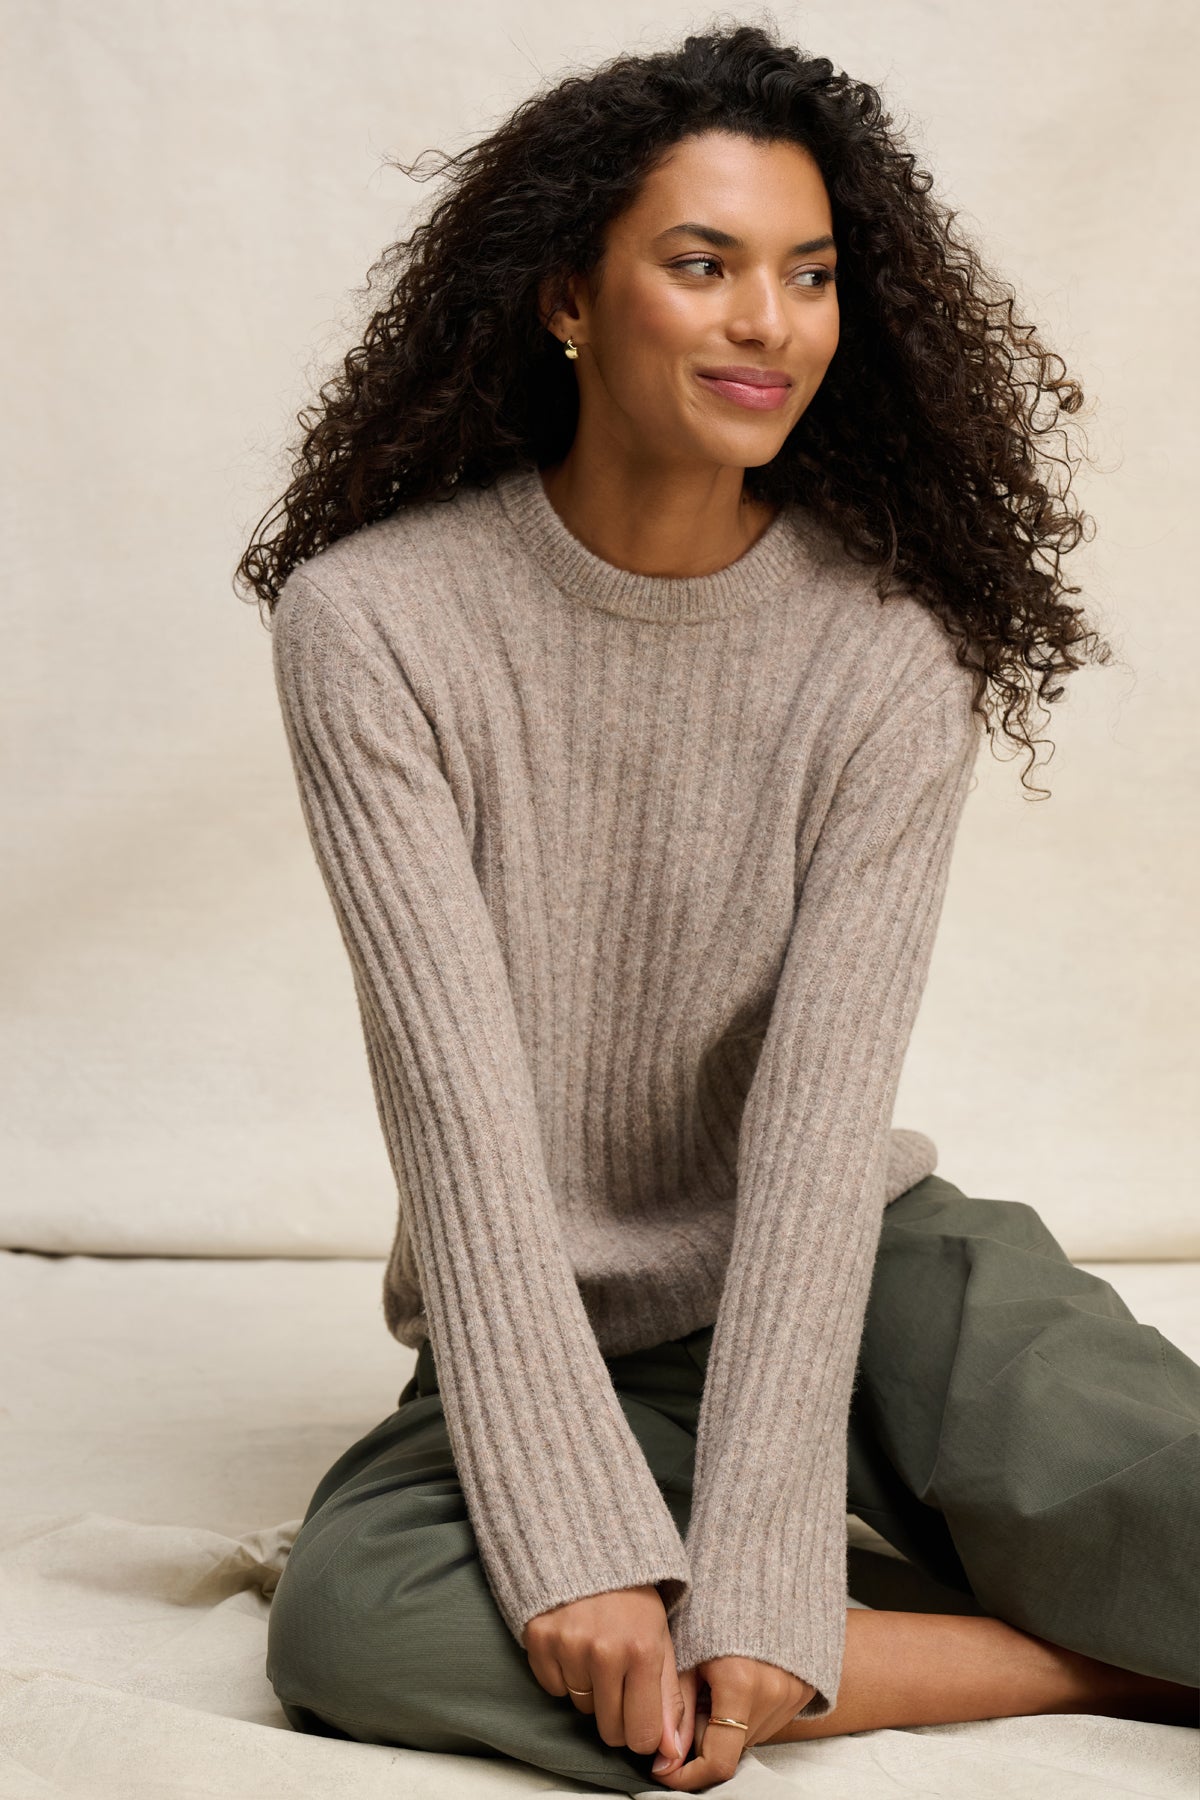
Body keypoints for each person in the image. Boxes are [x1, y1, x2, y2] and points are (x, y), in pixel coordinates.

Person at [235, 23, 1200, 1794]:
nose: (770, 322)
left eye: (810, 275)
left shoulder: (891, 657)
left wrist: (760, 1574)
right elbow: (460, 1123)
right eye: (704, 265)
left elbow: (823, 1137)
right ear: (567, 302)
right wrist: (573, 1537)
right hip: (542, 1316)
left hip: (873, 1268)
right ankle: (1080, 1656)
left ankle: (923, 1611)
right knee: (353, 1625)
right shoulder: (376, 629)